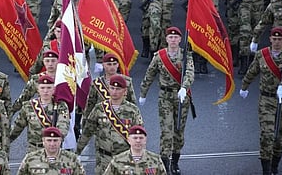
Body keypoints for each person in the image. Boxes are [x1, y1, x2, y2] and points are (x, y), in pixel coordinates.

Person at [139, 26, 194, 175]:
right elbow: (149, 74)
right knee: (167, 132)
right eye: (170, 37)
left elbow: (189, 73)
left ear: (180, 39)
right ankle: (165, 164)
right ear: (167, 39)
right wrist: (143, 93)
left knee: (178, 132)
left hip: (181, 98)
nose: (173, 40)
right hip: (165, 98)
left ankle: (175, 163)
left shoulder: (186, 56)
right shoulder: (159, 56)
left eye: (176, 37)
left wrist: (184, 87)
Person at [239, 26, 282, 175]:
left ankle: (274, 167)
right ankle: (266, 170)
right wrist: (244, 86)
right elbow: (253, 70)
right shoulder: (262, 55)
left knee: (279, 136)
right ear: (270, 39)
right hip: (266, 100)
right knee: (267, 135)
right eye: (274, 39)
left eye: (279, 39)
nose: (277, 42)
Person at [77, 74, 144, 174]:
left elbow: (139, 136)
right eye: (112, 88)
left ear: (125, 91)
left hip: (124, 160)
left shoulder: (133, 111)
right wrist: (77, 152)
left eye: (118, 89)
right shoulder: (99, 108)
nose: (114, 92)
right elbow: (87, 132)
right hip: (103, 160)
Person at [9, 75, 70, 153]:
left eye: (48, 88)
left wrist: (52, 140)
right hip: (34, 151)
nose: (45, 91)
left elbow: (63, 127)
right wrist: (3, 142)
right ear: (38, 89)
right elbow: (16, 128)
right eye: (42, 88)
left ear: (54, 89)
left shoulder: (60, 106)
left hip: (54, 150)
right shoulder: (29, 106)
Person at [83, 53, 137, 120]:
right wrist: (85, 123)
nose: (112, 67)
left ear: (118, 65)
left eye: (114, 64)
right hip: (102, 122)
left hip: (122, 121)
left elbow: (133, 103)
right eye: (109, 64)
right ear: (103, 65)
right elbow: (90, 105)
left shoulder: (126, 82)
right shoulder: (96, 84)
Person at [17, 126, 86, 175]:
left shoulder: (72, 159)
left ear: (60, 141)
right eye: (49, 140)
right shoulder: (30, 158)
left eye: (55, 140)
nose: (52, 144)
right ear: (43, 141)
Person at [10, 50, 59, 117]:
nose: (50, 64)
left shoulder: (64, 79)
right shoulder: (36, 79)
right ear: (43, 62)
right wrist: (11, 112)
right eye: (47, 61)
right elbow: (24, 97)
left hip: (61, 115)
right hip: (42, 115)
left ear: (58, 61)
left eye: (53, 61)